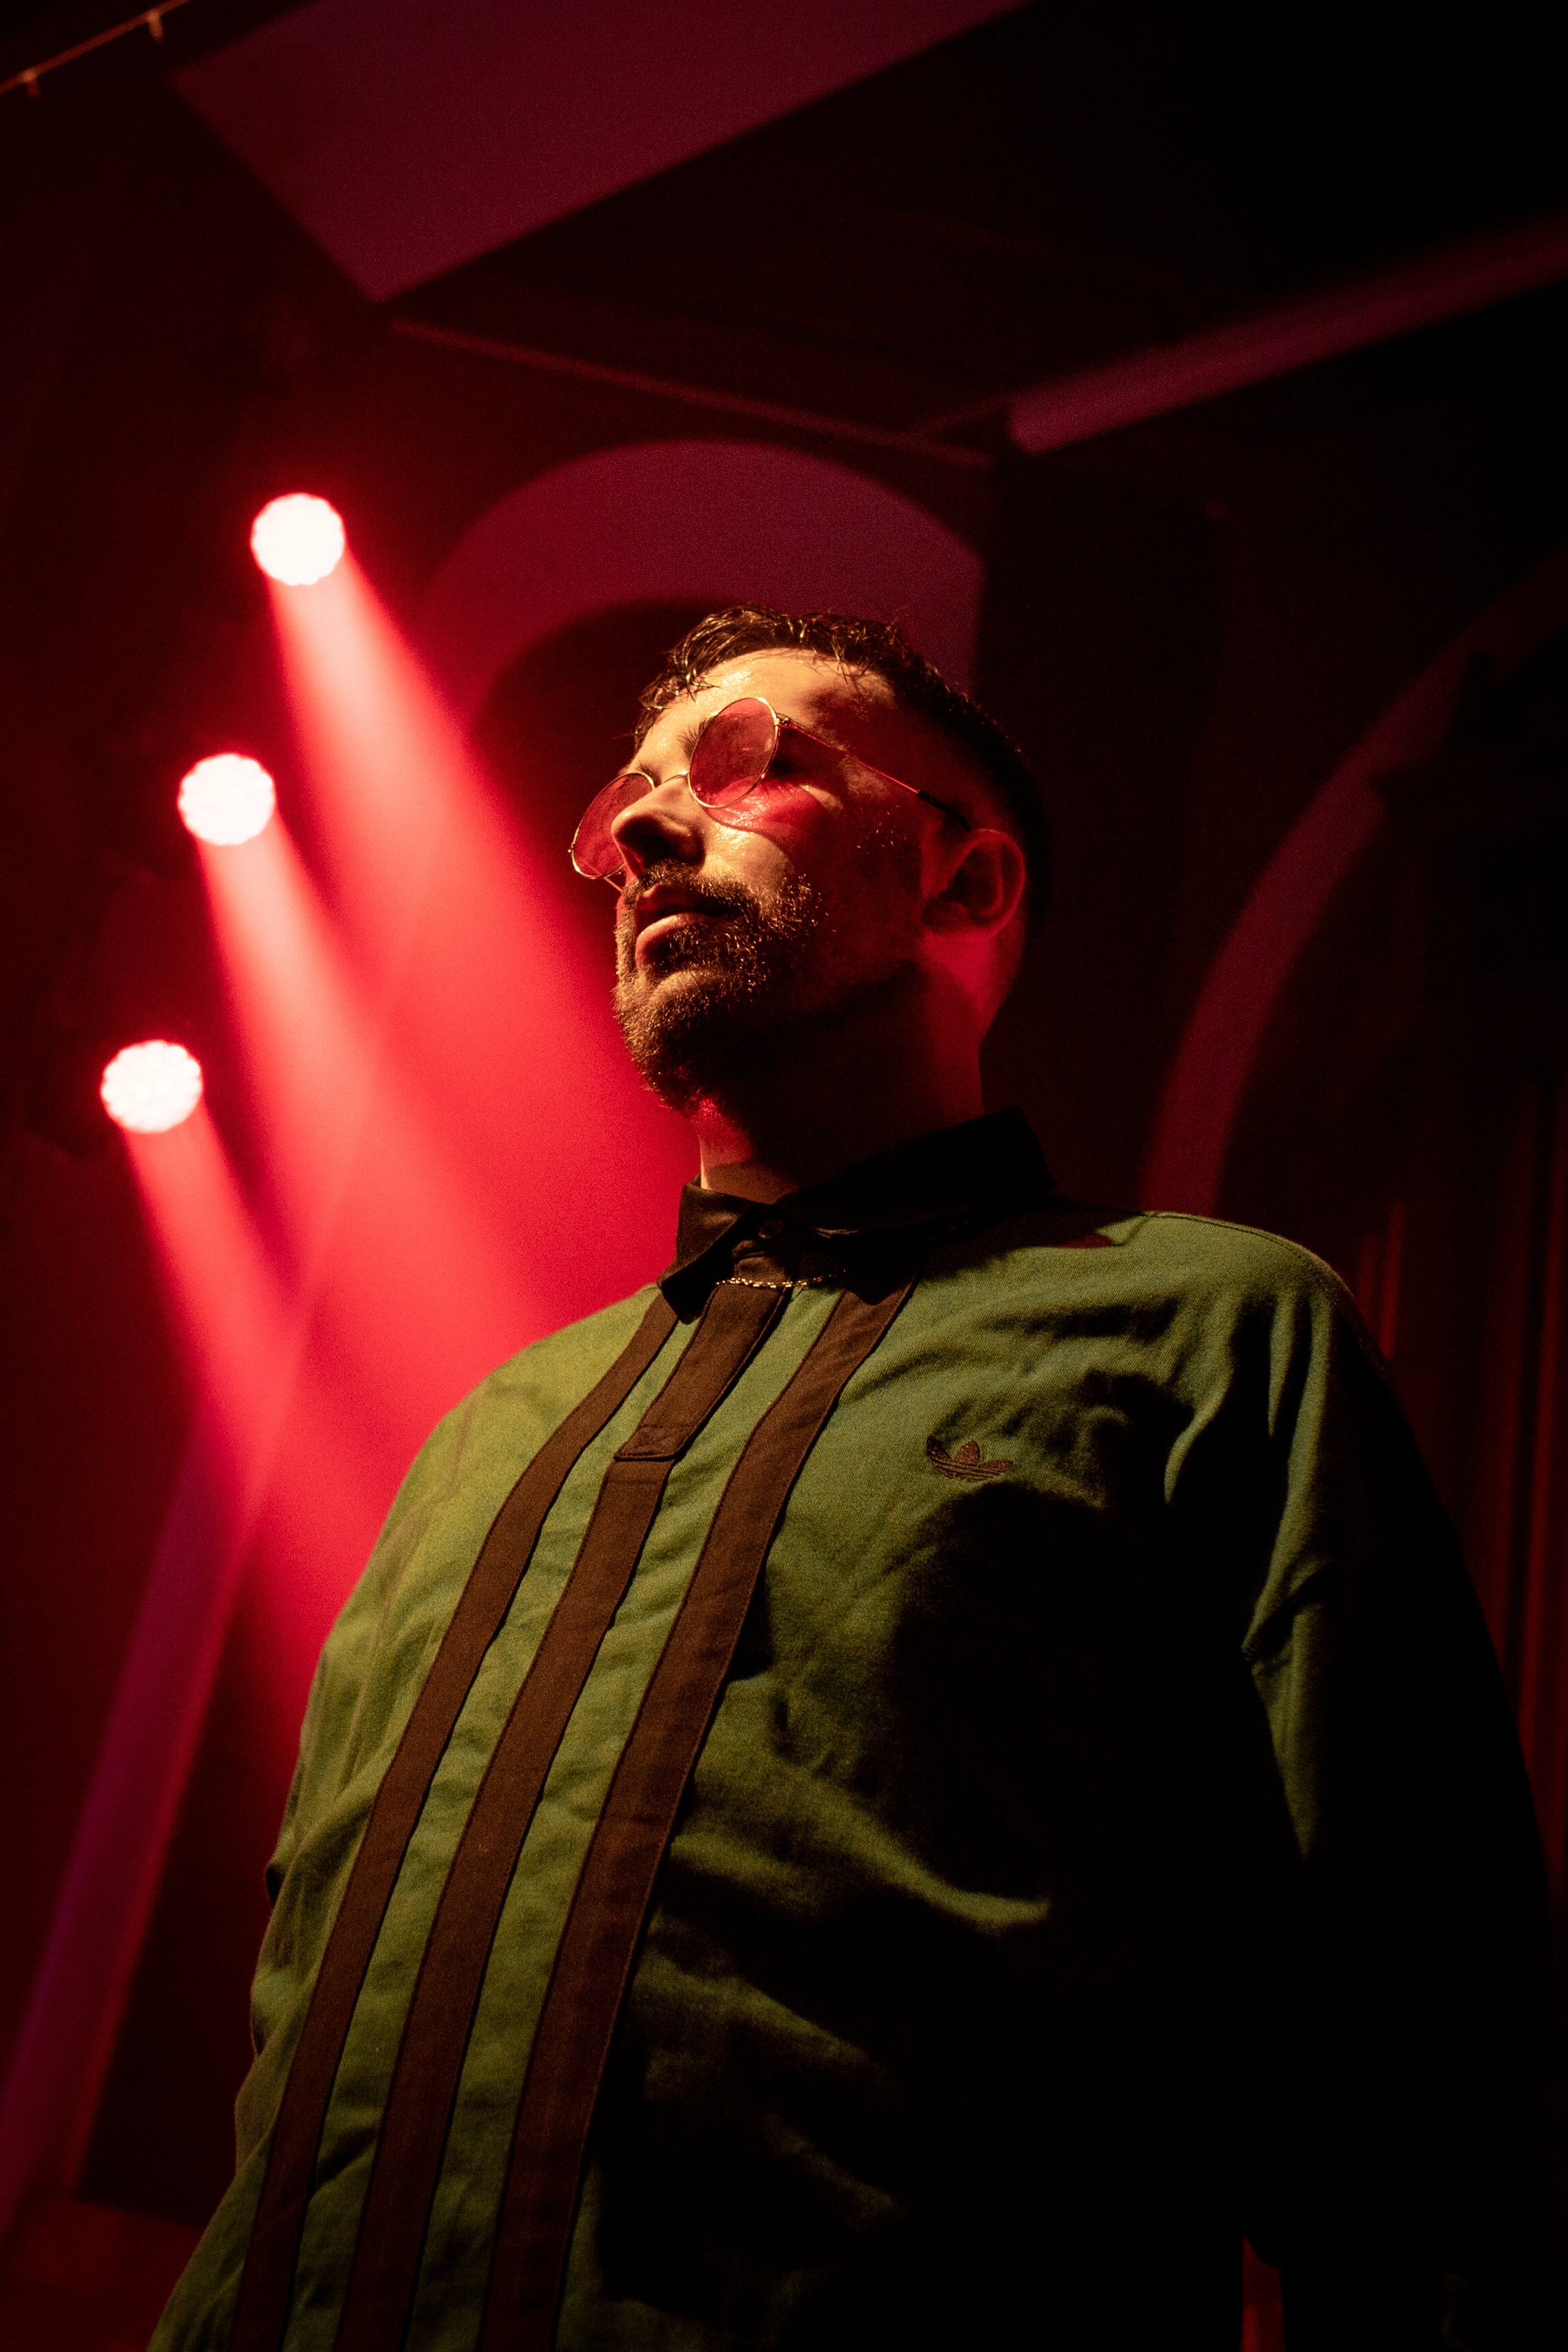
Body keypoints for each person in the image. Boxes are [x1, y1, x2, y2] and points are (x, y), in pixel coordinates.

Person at [156, 607, 1565, 2352]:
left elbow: (1418, 2076)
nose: (644, 827)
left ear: (965, 878)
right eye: (623, 801)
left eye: (747, 766)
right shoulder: (491, 1429)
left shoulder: (1204, 1332)